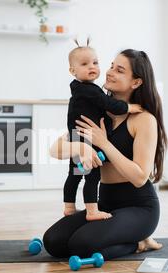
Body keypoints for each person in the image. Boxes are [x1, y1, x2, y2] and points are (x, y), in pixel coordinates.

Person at [44, 49, 168, 260]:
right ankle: (132, 239)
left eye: (119, 70)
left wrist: (104, 143)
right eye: (111, 66)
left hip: (139, 207)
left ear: (136, 82)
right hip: (106, 203)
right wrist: (81, 148)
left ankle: (139, 242)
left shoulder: (143, 119)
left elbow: (139, 177)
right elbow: (55, 150)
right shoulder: (98, 109)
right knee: (53, 242)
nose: (110, 72)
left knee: (82, 244)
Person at [64, 42, 143, 221]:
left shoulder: (79, 89)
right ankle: (92, 211)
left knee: (75, 174)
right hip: (87, 141)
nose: (92, 67)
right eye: (85, 64)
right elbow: (110, 105)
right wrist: (128, 108)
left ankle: (69, 207)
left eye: (95, 62)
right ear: (72, 71)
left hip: (78, 138)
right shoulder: (89, 90)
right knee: (92, 176)